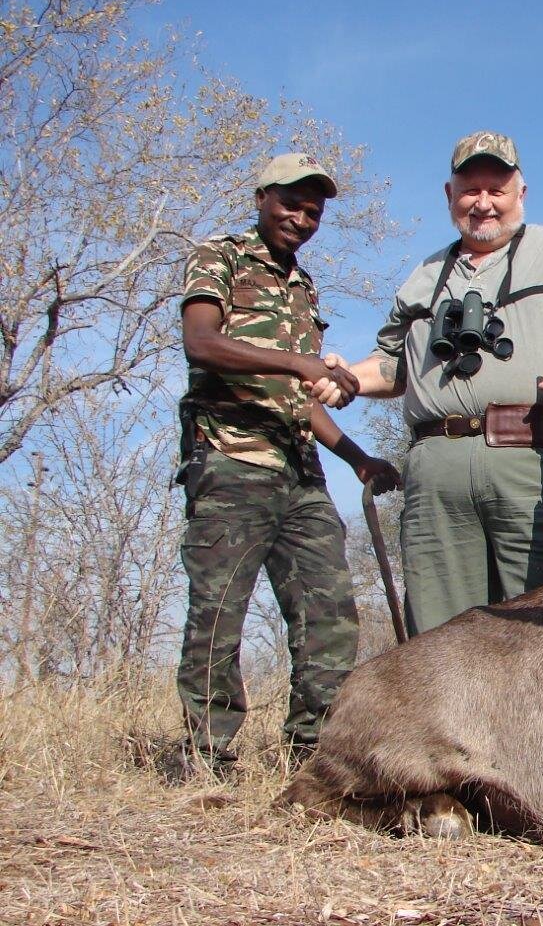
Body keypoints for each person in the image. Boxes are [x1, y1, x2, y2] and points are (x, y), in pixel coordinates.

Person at [314, 131, 543, 634]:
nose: (483, 204)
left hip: (539, 457)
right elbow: (394, 366)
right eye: (470, 190)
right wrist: (345, 378)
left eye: (496, 190)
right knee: (442, 644)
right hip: (436, 475)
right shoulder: (422, 276)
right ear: (450, 196)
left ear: (520, 194)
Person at [172, 153, 400, 779]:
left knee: (329, 611)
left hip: (300, 473)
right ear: (262, 197)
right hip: (229, 463)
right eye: (290, 203)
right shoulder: (218, 256)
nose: (301, 217)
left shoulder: (303, 288)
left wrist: (359, 458)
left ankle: (312, 756)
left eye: (313, 210)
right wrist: (299, 364)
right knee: (219, 613)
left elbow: (302, 402)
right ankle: (208, 758)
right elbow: (202, 342)